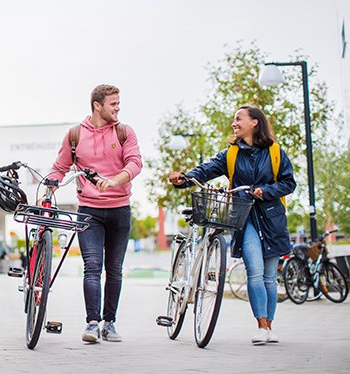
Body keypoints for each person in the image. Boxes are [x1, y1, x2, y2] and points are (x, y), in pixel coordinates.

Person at [168, 105, 296, 345]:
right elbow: (205, 170)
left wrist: (265, 190)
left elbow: (289, 183)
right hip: (244, 216)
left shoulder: (276, 152)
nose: (234, 123)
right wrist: (183, 179)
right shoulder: (231, 153)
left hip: (271, 218)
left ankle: (269, 327)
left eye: (239, 119)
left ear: (254, 122)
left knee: (270, 277)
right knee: (255, 271)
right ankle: (260, 325)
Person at [46, 84, 142, 343]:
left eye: (118, 103)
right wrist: (50, 185)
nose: (118, 108)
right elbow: (60, 166)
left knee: (114, 269)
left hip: (119, 209)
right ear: (97, 105)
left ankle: (109, 323)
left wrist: (114, 180)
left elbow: (135, 163)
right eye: (113, 103)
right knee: (92, 267)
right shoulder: (75, 135)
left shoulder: (124, 132)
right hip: (88, 211)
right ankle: (92, 323)